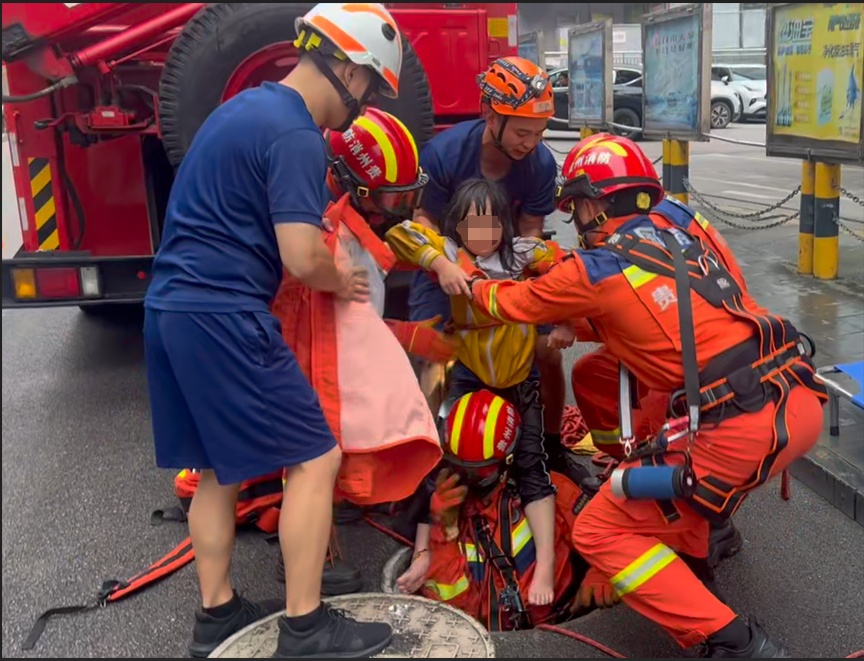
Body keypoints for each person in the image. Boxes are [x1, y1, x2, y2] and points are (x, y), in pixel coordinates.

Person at [467, 133, 827, 658]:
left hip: (733, 428)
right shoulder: (681, 222)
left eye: (578, 208)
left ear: (592, 204)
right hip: (793, 394)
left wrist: (454, 269)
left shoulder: (594, 269)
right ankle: (701, 518)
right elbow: (694, 304)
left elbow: (502, 303)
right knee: (595, 375)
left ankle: (731, 642)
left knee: (598, 531)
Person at [142, 4, 403, 658]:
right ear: (346, 66)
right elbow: (300, 252)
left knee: (214, 470)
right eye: (371, 85)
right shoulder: (295, 132)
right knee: (315, 457)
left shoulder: (241, 110)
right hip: (223, 312)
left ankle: (217, 614)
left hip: (169, 307)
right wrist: (339, 280)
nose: (366, 104)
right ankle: (308, 624)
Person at [270, 106, 450, 594]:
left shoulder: (341, 224)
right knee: (312, 452)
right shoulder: (338, 241)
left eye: (408, 194)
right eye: (394, 196)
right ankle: (309, 561)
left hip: (296, 347)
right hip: (301, 361)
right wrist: (412, 338)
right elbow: (345, 338)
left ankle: (331, 504)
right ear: (357, 188)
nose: (401, 206)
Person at [386, 177, 577, 608]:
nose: (484, 234)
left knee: (531, 465)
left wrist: (567, 323)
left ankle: (544, 560)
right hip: (470, 375)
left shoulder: (523, 253)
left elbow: (569, 270)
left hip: (517, 379)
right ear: (457, 227)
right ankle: (421, 556)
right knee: (440, 460)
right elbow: (401, 234)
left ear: (505, 226)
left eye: (492, 224)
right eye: (473, 225)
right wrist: (440, 264)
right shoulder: (452, 253)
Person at [406, 56, 566, 444]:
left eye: (540, 133)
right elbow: (422, 219)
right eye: (523, 133)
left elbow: (531, 231)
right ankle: (427, 450)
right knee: (433, 350)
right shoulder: (443, 154)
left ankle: (550, 442)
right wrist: (449, 265)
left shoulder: (540, 165)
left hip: (508, 265)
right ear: (490, 116)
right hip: (444, 265)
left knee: (546, 351)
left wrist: (546, 302)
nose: (531, 144)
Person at [419, 389, 620, 630]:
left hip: (558, 626)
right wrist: (444, 530)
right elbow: (443, 607)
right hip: (485, 638)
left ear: (509, 460)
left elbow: (612, 537)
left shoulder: (556, 494)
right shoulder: (447, 508)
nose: (469, 481)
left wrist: (602, 573)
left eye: (481, 473)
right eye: (460, 469)